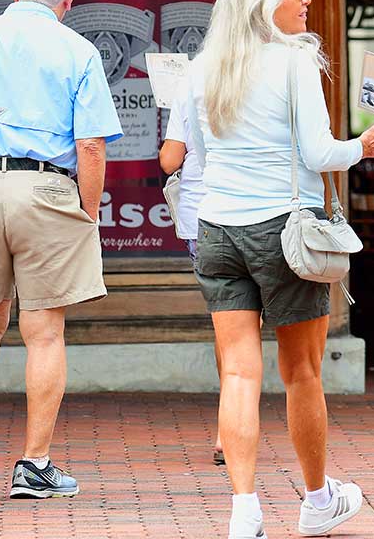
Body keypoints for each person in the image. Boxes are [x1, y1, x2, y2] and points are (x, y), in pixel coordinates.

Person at [185, 0, 374, 539]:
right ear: (264, 3)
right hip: (284, 231)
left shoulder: (202, 67)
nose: (306, 0)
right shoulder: (294, 63)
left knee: (237, 373)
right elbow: (316, 154)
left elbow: (199, 163)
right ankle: (315, 500)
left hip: (217, 228)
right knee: (303, 371)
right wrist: (367, 144)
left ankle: (244, 510)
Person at [0, 0, 123, 498]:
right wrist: (87, 213)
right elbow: (91, 145)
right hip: (47, 188)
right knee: (44, 333)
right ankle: (35, 464)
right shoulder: (78, 50)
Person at [159, 77, 227, 466]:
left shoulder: (189, 84)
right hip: (260, 212)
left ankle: (226, 428)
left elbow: (170, 160)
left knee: (227, 323)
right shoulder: (268, 74)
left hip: (203, 218)